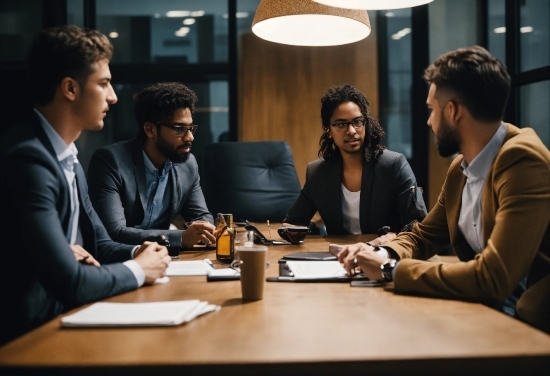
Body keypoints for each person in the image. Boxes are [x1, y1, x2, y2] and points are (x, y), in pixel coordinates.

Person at [338, 46, 550, 334]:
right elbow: (424, 236)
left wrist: (390, 271)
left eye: (431, 109)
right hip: (490, 309)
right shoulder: (461, 168)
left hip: (532, 322)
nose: (428, 121)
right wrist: (383, 253)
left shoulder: (522, 160)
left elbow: (493, 279)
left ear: (452, 111)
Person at [0, 26, 171, 345]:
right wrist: (139, 269)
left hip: (62, 321)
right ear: (70, 88)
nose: (113, 96)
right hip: (28, 340)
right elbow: (72, 282)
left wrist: (143, 252)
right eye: (103, 83)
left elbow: (100, 245)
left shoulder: (66, 157)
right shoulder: (29, 160)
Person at [284, 84, 427, 241]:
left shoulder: (393, 165)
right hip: (338, 258)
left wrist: (393, 240)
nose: (351, 131)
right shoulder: (318, 172)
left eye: (357, 121)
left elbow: (418, 225)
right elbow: (294, 224)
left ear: (365, 123)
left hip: (384, 256)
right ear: (328, 130)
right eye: (340, 124)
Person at [88, 82, 215, 253]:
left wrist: (204, 229)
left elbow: (202, 217)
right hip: (122, 261)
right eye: (179, 129)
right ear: (149, 129)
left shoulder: (187, 164)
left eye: (190, 128)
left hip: (166, 259)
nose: (189, 137)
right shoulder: (110, 161)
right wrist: (180, 238)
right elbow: (113, 232)